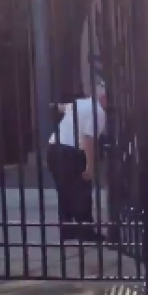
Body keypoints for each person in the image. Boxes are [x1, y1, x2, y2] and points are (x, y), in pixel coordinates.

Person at [47, 83, 108, 242]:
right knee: (82, 192)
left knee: (64, 191)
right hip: (71, 153)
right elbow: (88, 140)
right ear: (104, 98)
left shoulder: (80, 103)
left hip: (54, 149)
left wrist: (54, 106)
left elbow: (63, 107)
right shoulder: (99, 112)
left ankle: (67, 230)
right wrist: (90, 166)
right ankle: (85, 231)